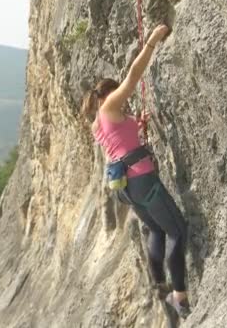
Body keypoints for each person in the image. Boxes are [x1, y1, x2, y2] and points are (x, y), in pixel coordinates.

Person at [81, 24, 190, 318]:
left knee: (155, 229)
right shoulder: (110, 105)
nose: (124, 99)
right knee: (177, 230)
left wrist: (136, 125)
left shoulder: (97, 122)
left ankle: (161, 288)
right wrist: (153, 41)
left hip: (124, 188)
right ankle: (180, 296)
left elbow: (119, 140)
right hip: (142, 179)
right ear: (109, 94)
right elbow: (133, 77)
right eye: (118, 95)